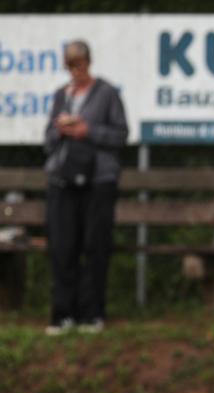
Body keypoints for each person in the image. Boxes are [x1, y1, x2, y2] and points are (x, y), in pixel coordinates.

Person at [43, 39, 128, 335]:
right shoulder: (60, 96)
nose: (75, 70)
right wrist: (61, 130)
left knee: (95, 245)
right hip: (63, 180)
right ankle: (63, 313)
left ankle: (92, 312)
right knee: (63, 247)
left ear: (88, 63)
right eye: (70, 65)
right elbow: (47, 140)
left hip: (98, 180)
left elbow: (120, 135)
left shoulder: (106, 94)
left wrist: (87, 131)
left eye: (79, 64)